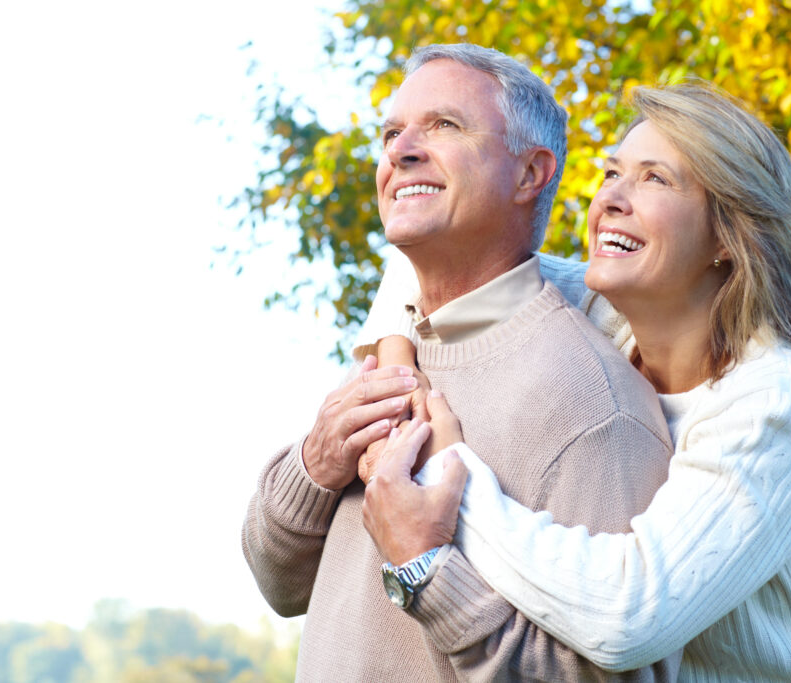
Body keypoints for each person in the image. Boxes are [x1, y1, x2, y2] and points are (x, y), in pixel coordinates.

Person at [360, 82, 791, 681]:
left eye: (655, 179)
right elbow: (422, 259)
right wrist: (400, 379)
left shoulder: (778, 401)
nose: (611, 198)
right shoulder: (601, 311)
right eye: (612, 173)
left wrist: (448, 475)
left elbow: (627, 618)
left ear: (728, 237)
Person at [242, 43, 680, 680]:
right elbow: (277, 585)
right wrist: (315, 464)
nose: (401, 150)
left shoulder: (595, 404)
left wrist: (424, 569)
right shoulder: (382, 362)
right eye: (392, 132)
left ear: (530, 174)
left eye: (443, 126)